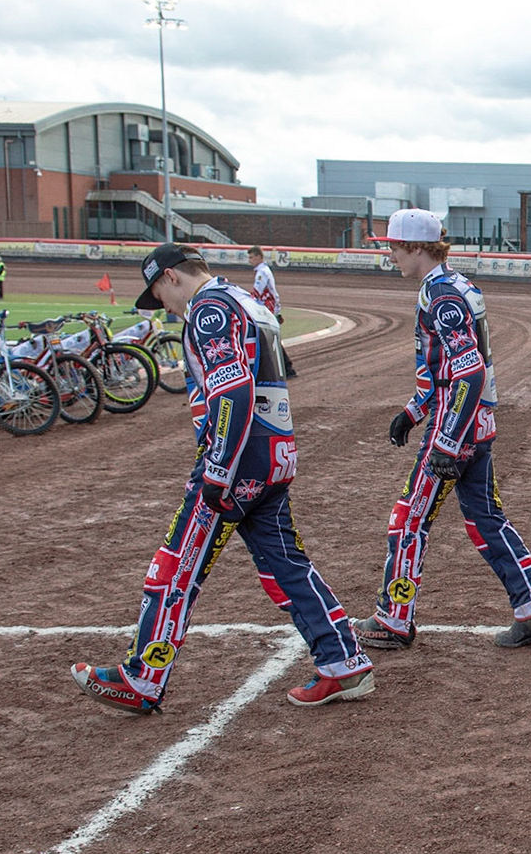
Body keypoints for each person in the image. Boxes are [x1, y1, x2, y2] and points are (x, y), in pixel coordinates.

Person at [71, 243, 374, 713]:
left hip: (238, 460)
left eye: (158, 294)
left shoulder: (209, 307)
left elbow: (232, 388)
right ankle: (342, 663)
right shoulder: (243, 301)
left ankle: (143, 677)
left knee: (177, 563)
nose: (165, 308)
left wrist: (217, 468)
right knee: (285, 565)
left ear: (170, 276)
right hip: (273, 451)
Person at [356, 209, 531, 650]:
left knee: (409, 519)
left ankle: (394, 619)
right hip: (475, 421)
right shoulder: (454, 287)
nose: (389, 255)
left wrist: (446, 440)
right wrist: (413, 411)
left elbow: (465, 372)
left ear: (414, 247)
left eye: (393, 247)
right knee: (487, 519)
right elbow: (451, 368)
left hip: (457, 427)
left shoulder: (443, 295)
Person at [248, 246, 296, 377]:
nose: (250, 260)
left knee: (270, 340)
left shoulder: (262, 272)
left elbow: (257, 293)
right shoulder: (264, 270)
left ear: (259, 257)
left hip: (267, 311)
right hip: (270, 310)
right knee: (270, 340)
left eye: (252, 257)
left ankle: (287, 368)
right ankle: (285, 368)